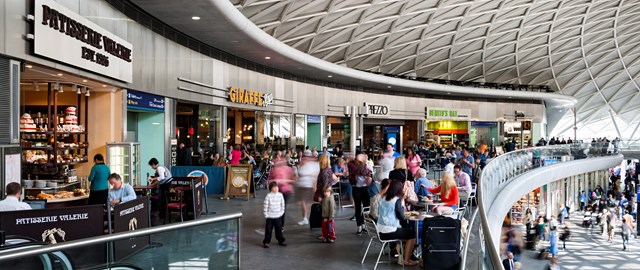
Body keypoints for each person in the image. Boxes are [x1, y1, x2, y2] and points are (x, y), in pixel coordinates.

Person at [377, 180, 418, 266]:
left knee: (406, 233)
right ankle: (406, 260)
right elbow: (401, 216)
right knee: (412, 234)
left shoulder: (383, 197)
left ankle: (402, 256)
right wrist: (406, 226)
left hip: (380, 229)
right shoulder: (396, 200)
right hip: (389, 231)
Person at [348, 153, 372, 235]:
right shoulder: (351, 164)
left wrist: (369, 174)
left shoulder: (365, 164)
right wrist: (365, 165)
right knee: (358, 208)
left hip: (365, 188)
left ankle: (364, 225)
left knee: (366, 208)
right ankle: (359, 226)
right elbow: (358, 171)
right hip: (356, 188)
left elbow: (369, 172)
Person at [268, 157, 295, 227]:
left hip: (286, 191)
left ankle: (280, 225)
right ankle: (276, 222)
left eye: (281, 159)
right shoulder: (273, 170)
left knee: (282, 207)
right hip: (275, 191)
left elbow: (294, 180)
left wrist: (285, 181)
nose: (278, 161)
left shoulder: (289, 169)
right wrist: (272, 182)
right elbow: (269, 180)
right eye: (277, 159)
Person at [296, 150, 319, 226]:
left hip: (308, 186)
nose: (304, 158)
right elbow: (298, 174)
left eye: (305, 157)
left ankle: (306, 218)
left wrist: (314, 187)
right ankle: (305, 217)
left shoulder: (313, 165)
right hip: (301, 186)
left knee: (305, 203)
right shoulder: (303, 164)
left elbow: (315, 177)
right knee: (302, 203)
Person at [148, 158, 173, 222]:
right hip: (167, 183)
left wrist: (153, 180)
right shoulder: (160, 167)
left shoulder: (159, 168)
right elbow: (160, 179)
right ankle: (162, 214)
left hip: (166, 184)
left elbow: (162, 178)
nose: (151, 167)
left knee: (162, 199)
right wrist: (153, 183)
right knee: (162, 199)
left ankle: (163, 215)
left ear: (153, 164)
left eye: (151, 166)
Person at [262, 181, 286, 248]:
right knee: (268, 230)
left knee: (279, 229)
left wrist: (281, 212)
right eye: (274, 187)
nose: (276, 188)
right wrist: (266, 214)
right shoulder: (268, 196)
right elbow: (265, 205)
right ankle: (266, 242)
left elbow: (282, 205)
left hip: (278, 216)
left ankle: (281, 240)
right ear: (270, 189)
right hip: (270, 217)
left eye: (277, 187)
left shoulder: (280, 195)